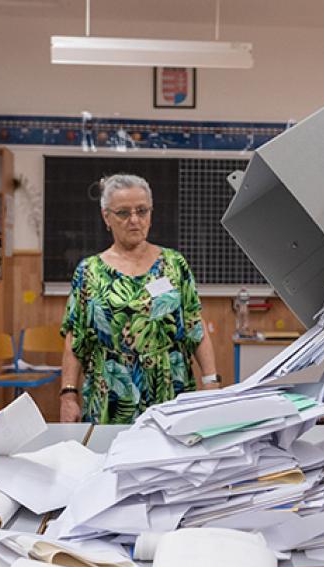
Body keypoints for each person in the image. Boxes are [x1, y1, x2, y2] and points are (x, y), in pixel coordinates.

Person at [59, 174, 219, 424]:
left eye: (142, 211)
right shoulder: (88, 272)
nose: (134, 220)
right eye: (123, 213)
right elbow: (75, 338)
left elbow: (194, 325)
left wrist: (211, 381)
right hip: (110, 394)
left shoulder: (174, 264)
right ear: (106, 217)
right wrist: (68, 395)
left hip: (168, 388)